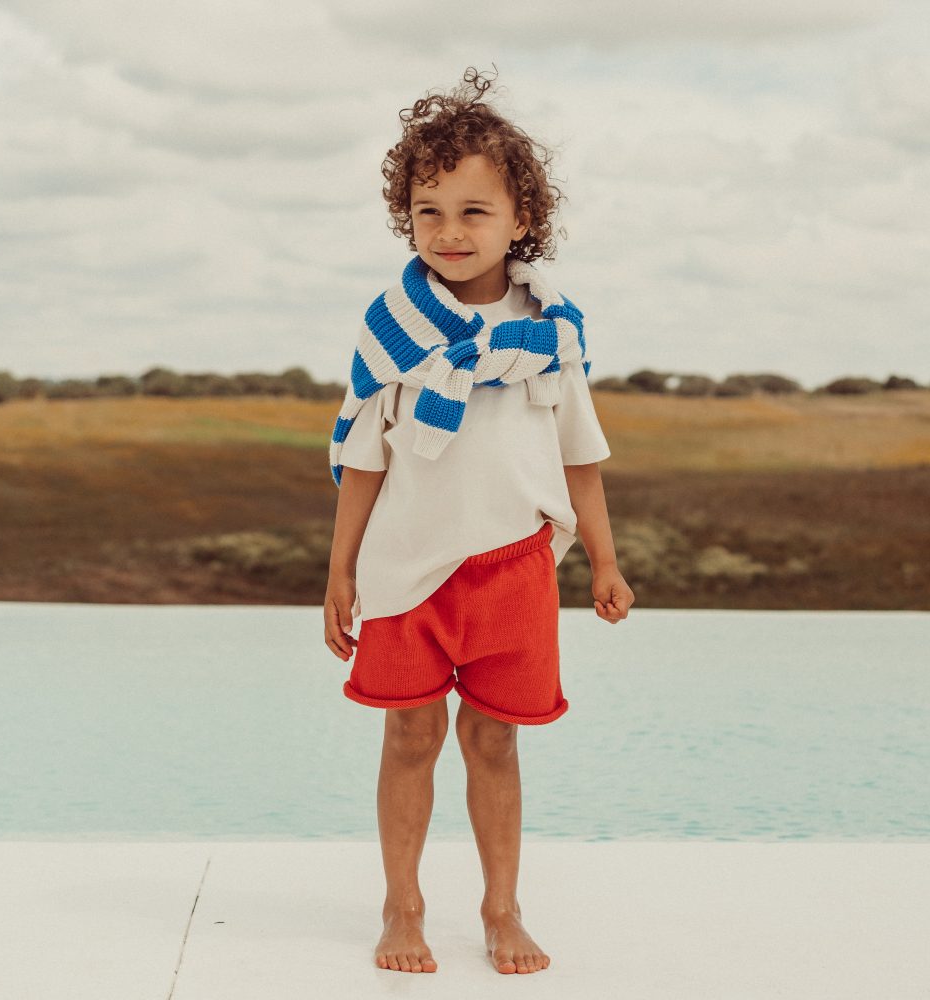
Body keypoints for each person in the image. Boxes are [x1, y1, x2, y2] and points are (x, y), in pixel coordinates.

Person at [323, 67, 634, 976]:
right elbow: (363, 461)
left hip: (515, 569)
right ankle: (402, 905)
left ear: (521, 221)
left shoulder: (552, 335)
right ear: (406, 219)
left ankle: (502, 908)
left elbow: (583, 458)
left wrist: (604, 564)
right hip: (404, 569)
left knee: (493, 737)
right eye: (428, 212)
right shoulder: (392, 332)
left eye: (474, 212)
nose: (450, 233)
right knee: (410, 735)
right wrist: (339, 574)